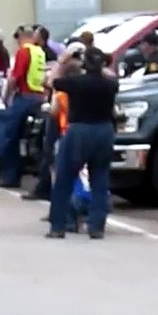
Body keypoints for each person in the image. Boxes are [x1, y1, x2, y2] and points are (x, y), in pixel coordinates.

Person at [47, 46, 119, 239]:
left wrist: (63, 61)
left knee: (64, 178)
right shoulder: (111, 85)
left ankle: (58, 225)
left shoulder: (75, 83)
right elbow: (109, 76)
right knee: (100, 179)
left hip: (79, 130)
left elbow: (52, 82)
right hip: (104, 130)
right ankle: (96, 226)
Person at [0, 26, 47, 188]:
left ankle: (10, 176)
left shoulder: (23, 52)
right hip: (38, 96)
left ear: (21, 37)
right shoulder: (39, 52)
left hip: (24, 96)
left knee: (9, 136)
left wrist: (6, 97)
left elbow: (15, 77)